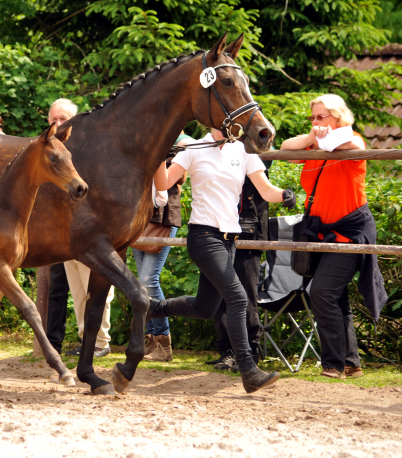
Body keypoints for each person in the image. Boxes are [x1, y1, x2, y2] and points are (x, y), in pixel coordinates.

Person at [151, 129, 297, 393]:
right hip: (203, 236)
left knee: (205, 308)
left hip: (230, 240)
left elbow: (265, 190)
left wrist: (285, 194)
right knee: (238, 299)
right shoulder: (193, 149)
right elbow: (163, 183)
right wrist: (160, 155)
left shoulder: (243, 150)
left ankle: (151, 307)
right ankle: (248, 370)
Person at [280, 94, 387, 379]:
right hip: (322, 231)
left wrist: (325, 138)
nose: (316, 123)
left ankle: (333, 364)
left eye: (321, 117)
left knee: (322, 292)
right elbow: (285, 148)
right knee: (336, 296)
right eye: (312, 117)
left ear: (338, 118)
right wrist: (310, 135)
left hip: (351, 232)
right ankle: (351, 363)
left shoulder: (353, 140)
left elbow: (351, 145)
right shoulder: (315, 143)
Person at [44, 98, 113, 358]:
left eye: (64, 119)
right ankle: (87, 340)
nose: (58, 124)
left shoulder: (93, 149)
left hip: (92, 232)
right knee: (78, 291)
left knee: (98, 288)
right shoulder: (49, 154)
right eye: (54, 119)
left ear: (75, 121)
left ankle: (101, 342)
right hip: (65, 234)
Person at [135, 133, 191, 362]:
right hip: (140, 216)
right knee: (141, 283)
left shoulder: (183, 142)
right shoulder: (145, 136)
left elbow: (181, 179)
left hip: (163, 217)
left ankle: (163, 342)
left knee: (149, 280)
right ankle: (151, 338)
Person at [210, 171, 270, 371]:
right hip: (216, 234)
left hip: (248, 235)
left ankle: (250, 353)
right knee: (218, 296)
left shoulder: (251, 160)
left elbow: (265, 195)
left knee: (246, 296)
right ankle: (227, 351)